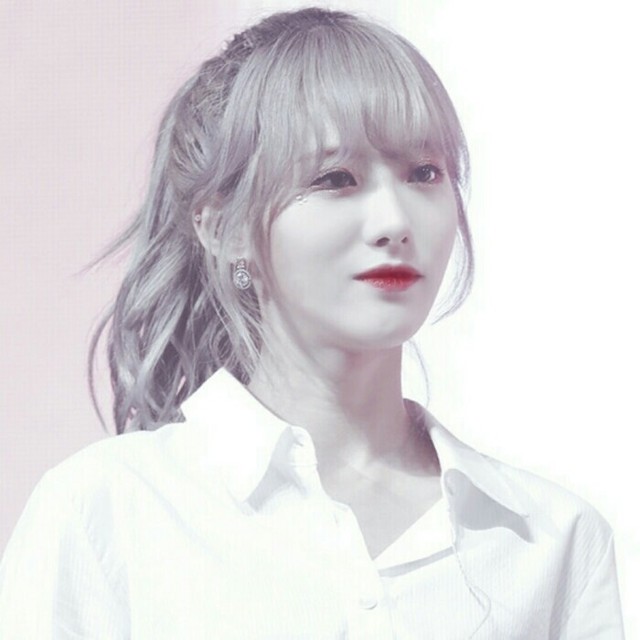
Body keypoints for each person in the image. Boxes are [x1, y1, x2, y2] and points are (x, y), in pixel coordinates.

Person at [0, 7, 625, 639]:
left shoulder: (552, 539)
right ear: (223, 229)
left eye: (424, 173)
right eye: (335, 179)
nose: (395, 221)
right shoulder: (106, 512)